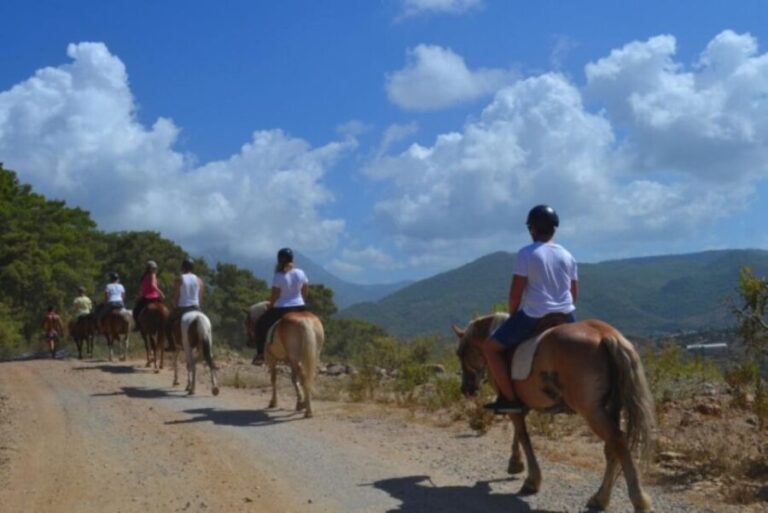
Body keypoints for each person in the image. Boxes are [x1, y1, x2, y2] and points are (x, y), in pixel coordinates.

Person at [480, 205, 578, 414]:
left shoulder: (526, 253)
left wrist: (513, 315)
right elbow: (574, 292)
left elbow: (516, 292)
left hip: (535, 314)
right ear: (554, 229)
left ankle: (510, 399)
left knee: (490, 348)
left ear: (532, 229)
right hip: (567, 314)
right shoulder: (568, 255)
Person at [252, 247, 309, 366]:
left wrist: (270, 306)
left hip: (281, 308)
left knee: (260, 325)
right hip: (300, 307)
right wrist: (301, 302)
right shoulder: (300, 273)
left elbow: (275, 296)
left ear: (279, 260)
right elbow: (305, 290)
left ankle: (260, 354)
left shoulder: (278, 275)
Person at [167, 258, 204, 350]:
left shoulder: (180, 278)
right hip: (196, 307)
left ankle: (171, 345)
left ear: (183, 268)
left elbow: (176, 296)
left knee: (168, 323)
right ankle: (202, 345)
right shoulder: (199, 280)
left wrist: (173, 306)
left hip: (183, 307)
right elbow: (200, 298)